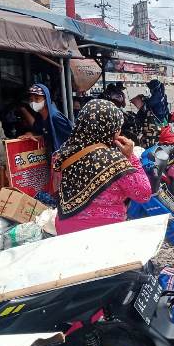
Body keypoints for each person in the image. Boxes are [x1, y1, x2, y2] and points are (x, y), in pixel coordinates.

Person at [54, 99, 152, 235]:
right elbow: (143, 194)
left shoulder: (61, 155)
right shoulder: (115, 161)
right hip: (103, 235)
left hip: (65, 232)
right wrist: (130, 157)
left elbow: (54, 190)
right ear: (110, 127)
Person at [22, 84, 73, 154]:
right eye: (31, 100)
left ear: (46, 100)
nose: (33, 103)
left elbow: (73, 135)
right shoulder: (39, 117)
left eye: (37, 99)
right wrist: (30, 134)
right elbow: (38, 131)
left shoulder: (55, 117)